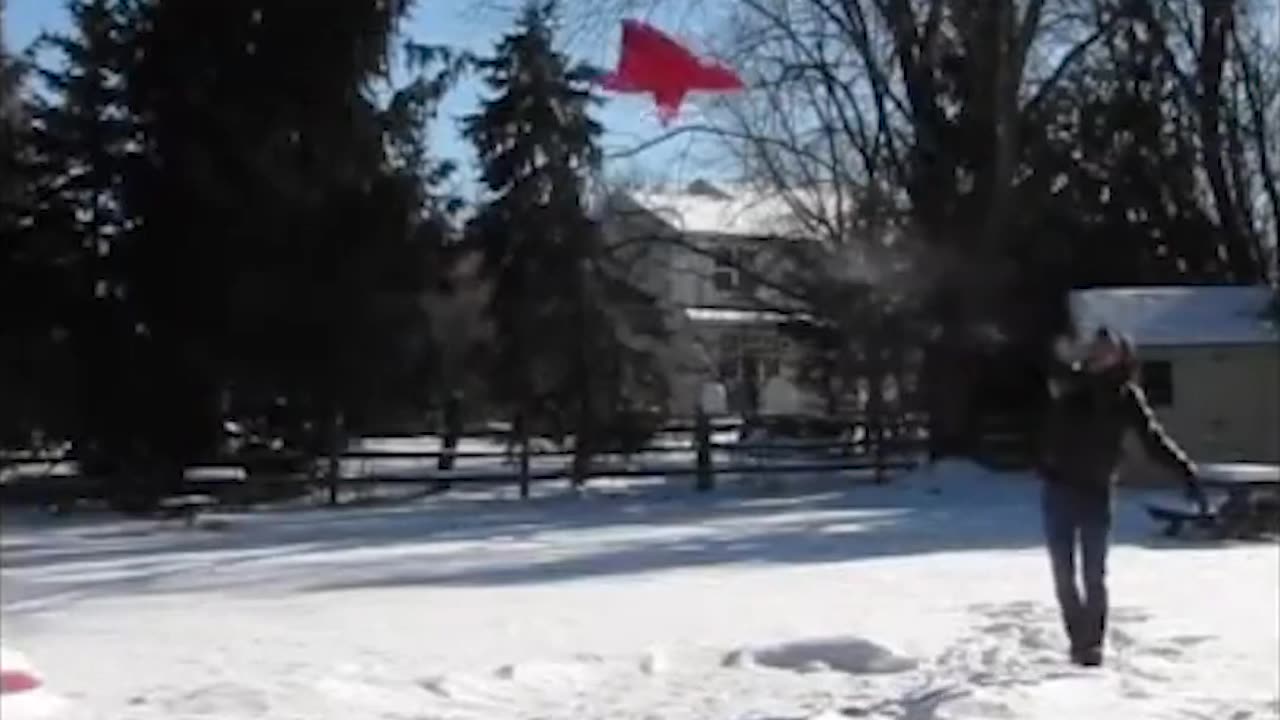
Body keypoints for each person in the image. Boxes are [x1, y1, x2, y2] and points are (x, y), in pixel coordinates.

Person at [1039, 327, 1207, 667]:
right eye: (1098, 349)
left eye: (1109, 350)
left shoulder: (1125, 396)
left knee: (1094, 574)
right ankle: (1078, 640)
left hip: (1096, 492)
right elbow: (1046, 392)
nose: (1102, 355)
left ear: (1121, 355)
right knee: (1063, 573)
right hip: (1058, 488)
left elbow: (1152, 439)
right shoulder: (1070, 384)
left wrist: (1185, 470)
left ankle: (1092, 647)